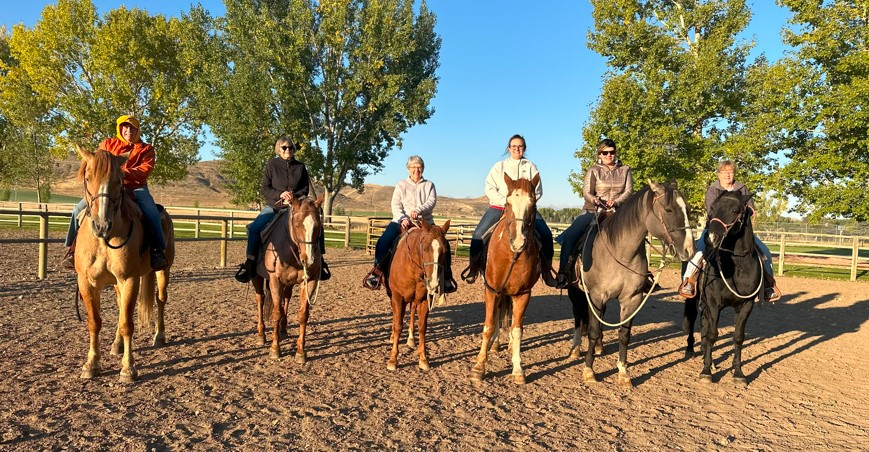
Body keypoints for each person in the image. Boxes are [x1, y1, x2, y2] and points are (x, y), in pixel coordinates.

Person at [62, 115, 168, 271]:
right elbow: (97, 163)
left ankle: (157, 251)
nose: (128, 130)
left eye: (132, 128)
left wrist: (119, 172)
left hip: (136, 187)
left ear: (137, 130)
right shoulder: (108, 144)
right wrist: (108, 175)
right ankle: (72, 249)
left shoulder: (146, 150)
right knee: (78, 209)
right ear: (120, 129)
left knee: (151, 211)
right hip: (107, 188)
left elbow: (144, 171)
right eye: (125, 127)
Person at [678, 160, 782, 302]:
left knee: (765, 253)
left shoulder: (742, 188)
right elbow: (711, 210)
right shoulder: (713, 190)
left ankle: (768, 285)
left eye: (730, 171)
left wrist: (749, 211)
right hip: (716, 230)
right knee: (698, 253)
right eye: (724, 171)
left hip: (740, 232)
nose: (728, 174)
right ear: (719, 174)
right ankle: (689, 281)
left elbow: (750, 207)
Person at [461, 134, 557, 287]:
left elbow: (537, 190)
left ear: (524, 148)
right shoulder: (499, 166)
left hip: (525, 209)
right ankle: (474, 267)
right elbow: (489, 187)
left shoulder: (530, 167)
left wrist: (527, 203)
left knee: (545, 234)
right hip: (500, 207)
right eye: (514, 146)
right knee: (479, 234)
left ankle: (546, 271)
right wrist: (504, 202)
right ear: (509, 148)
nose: (517, 149)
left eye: (520, 146)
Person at [234, 136, 331, 283]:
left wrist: (294, 198)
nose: (288, 150)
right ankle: (250, 263)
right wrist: (280, 195)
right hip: (274, 206)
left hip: (296, 207)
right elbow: (265, 188)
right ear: (279, 149)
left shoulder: (300, 167)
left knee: (317, 227)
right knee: (255, 229)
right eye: (284, 148)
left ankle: (321, 261)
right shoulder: (272, 165)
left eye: (291, 147)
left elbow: (304, 189)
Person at [362, 155, 457, 293]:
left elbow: (431, 202)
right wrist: (402, 218)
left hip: (425, 223)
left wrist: (418, 211)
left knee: (443, 244)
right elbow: (395, 204)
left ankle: (446, 277)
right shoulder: (401, 185)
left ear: (423, 168)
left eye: (419, 167)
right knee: (383, 242)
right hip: (402, 221)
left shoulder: (429, 185)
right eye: (413, 167)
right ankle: (377, 273)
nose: (416, 170)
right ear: (408, 169)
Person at [554, 138, 632, 289]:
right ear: (600, 154)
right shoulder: (593, 171)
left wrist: (616, 202)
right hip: (593, 210)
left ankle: (644, 275)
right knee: (570, 236)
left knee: (637, 232)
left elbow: (628, 191)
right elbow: (586, 192)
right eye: (605, 152)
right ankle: (563, 273)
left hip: (619, 212)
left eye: (612, 152)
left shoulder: (625, 170)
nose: (609, 155)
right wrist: (596, 200)